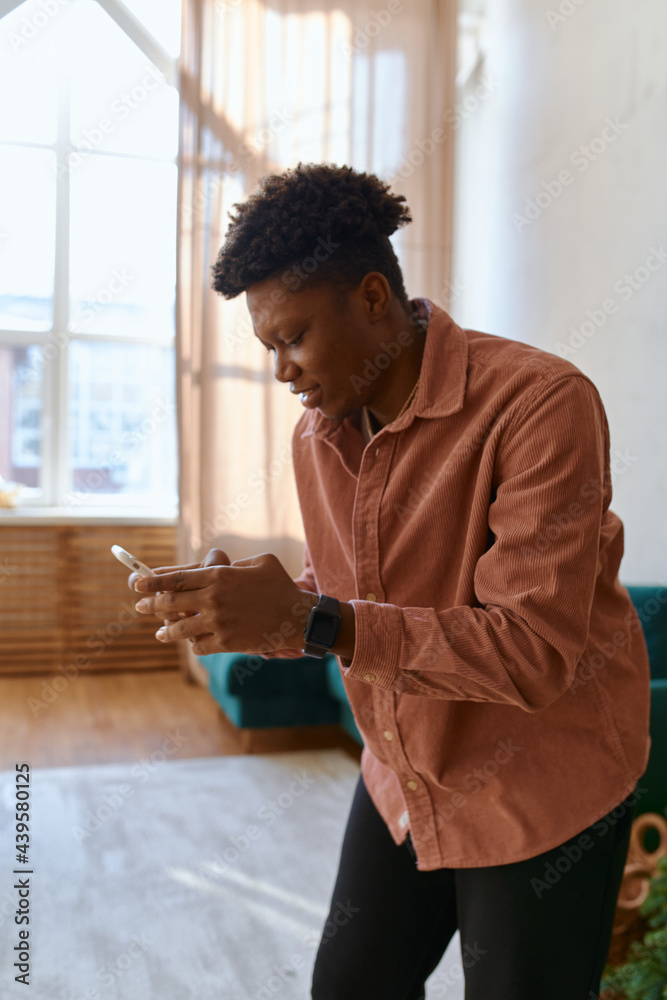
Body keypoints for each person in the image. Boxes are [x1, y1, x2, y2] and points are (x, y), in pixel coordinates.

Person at [131, 162, 651, 999]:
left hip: (539, 785)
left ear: (373, 298)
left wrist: (310, 616)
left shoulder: (540, 405)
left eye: (293, 338)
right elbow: (344, 588)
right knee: (347, 986)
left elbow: (530, 651)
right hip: (405, 768)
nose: (282, 374)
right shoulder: (320, 435)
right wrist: (247, 610)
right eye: (268, 349)